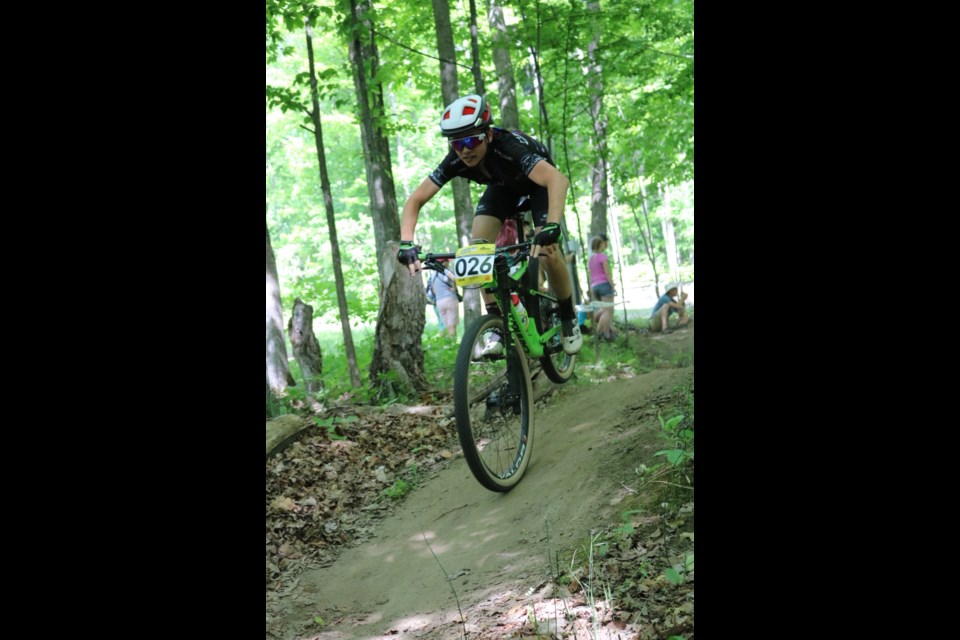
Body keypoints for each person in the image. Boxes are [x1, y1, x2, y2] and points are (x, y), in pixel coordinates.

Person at [396, 94, 582, 357]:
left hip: (539, 184)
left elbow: (557, 180)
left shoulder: (509, 148)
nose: (465, 150)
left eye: (472, 140)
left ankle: (567, 316)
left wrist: (552, 225)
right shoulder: (456, 159)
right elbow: (415, 199)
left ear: (490, 135)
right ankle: (498, 325)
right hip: (503, 188)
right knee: (478, 251)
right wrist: (406, 242)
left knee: (547, 251)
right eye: (457, 143)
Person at [588, 234, 617, 341]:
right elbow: (607, 273)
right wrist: (612, 285)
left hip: (595, 287)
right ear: (600, 245)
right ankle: (606, 335)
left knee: (604, 309)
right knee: (608, 311)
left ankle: (597, 335)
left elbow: (591, 274)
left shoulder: (591, 259)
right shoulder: (602, 256)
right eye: (603, 243)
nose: (605, 245)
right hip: (604, 285)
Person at [427, 258, 460, 338]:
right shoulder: (446, 271)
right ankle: (452, 344)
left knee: (445, 326)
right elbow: (456, 279)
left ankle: (446, 344)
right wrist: (454, 288)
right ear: (444, 262)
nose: (449, 262)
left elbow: (433, 290)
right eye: (447, 261)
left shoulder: (433, 274)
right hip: (450, 299)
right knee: (452, 326)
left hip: (439, 302)